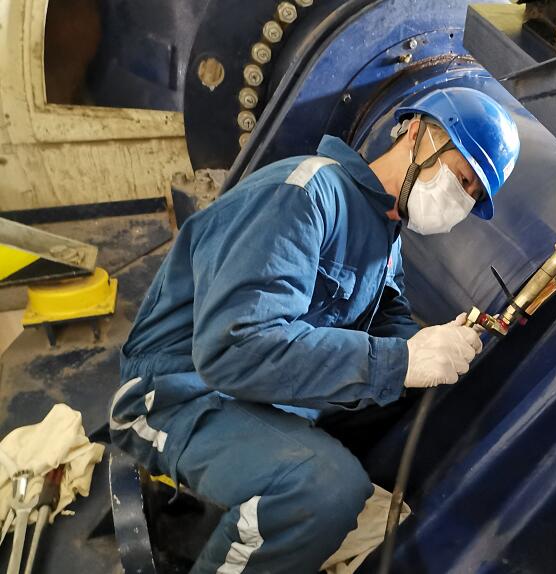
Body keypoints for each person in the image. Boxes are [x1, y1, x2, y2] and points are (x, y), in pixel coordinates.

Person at [109, 86, 519, 573]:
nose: (461, 199)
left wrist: (438, 345)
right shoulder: (303, 195)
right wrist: (402, 361)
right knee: (322, 489)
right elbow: (234, 349)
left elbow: (387, 324)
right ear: (417, 134)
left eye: (474, 196)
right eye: (463, 177)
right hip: (177, 392)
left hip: (257, 393)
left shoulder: (386, 235)